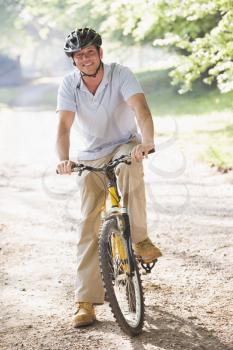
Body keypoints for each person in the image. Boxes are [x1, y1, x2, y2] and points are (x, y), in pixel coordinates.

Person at [56, 27, 162, 328]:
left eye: (90, 52)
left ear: (100, 53)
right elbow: (63, 128)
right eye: (79, 55)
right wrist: (63, 159)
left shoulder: (121, 74)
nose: (85, 58)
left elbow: (141, 109)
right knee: (88, 223)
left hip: (123, 145)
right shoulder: (69, 85)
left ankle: (139, 239)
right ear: (73, 61)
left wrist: (147, 142)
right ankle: (85, 302)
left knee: (129, 167)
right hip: (90, 155)